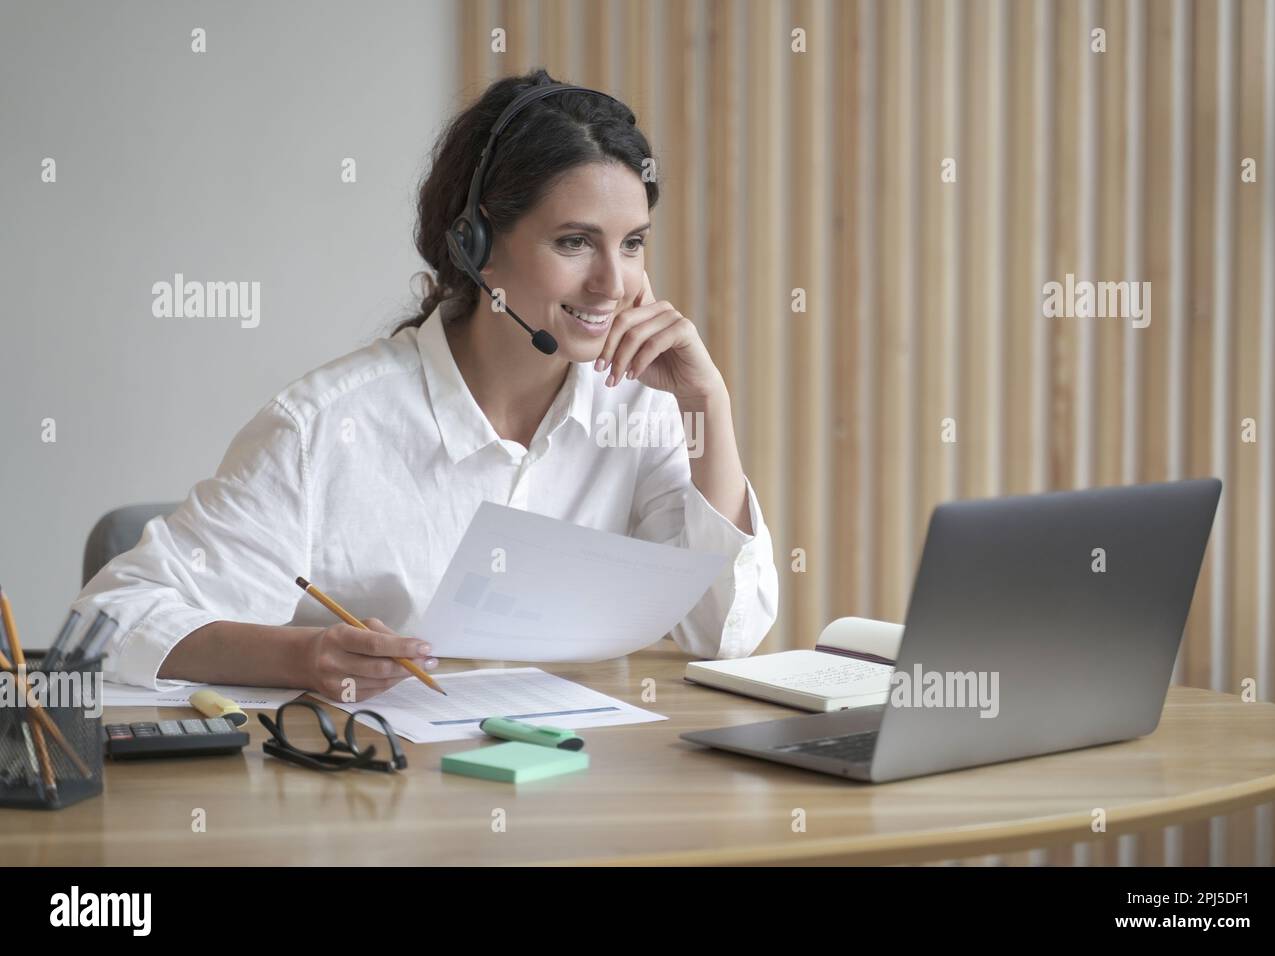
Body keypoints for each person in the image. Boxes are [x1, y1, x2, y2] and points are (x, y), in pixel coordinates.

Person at [70, 69, 779, 701]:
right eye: (574, 242)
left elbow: (725, 630)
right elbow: (108, 620)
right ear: (475, 247)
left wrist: (706, 407)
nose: (614, 283)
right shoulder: (324, 428)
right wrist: (305, 655)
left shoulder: (643, 411)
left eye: (632, 243)